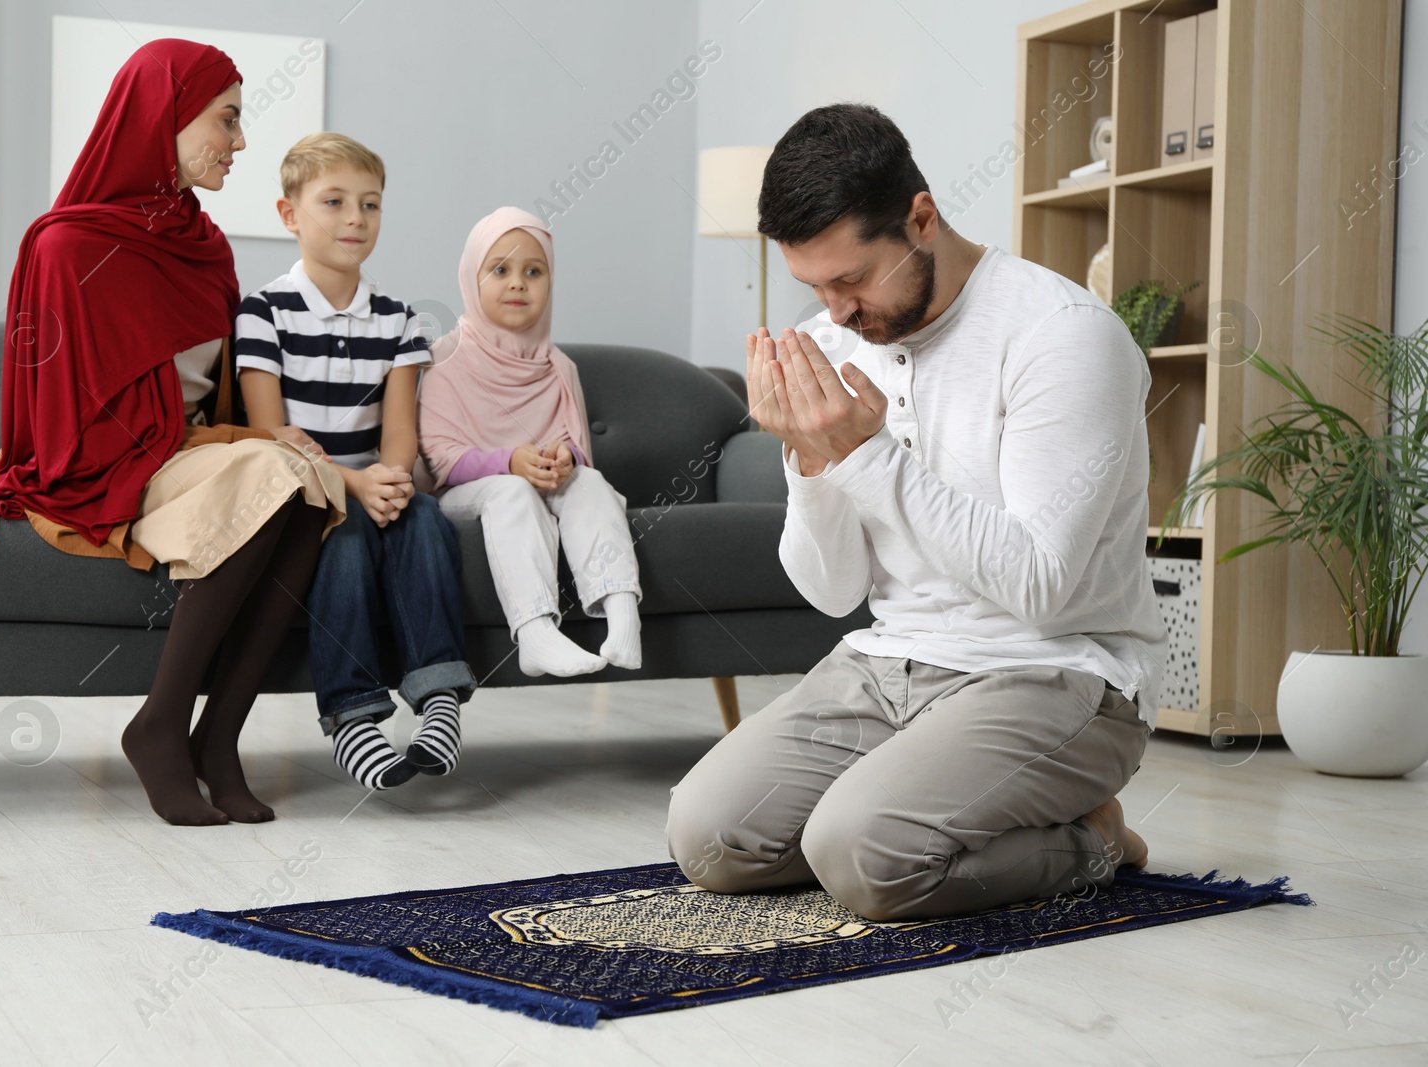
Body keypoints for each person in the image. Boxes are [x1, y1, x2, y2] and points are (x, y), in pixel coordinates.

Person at [666, 104, 1169, 921]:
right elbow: (832, 592)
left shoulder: (1063, 338)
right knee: (709, 837)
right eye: (814, 286)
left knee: (863, 856)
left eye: (852, 280)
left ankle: (1097, 839)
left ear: (921, 219)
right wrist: (812, 461)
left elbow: (1042, 587)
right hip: (889, 663)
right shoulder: (833, 342)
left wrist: (865, 455)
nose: (834, 312)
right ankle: (920, 808)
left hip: (1060, 669)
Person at [0, 40, 346, 827]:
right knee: (270, 472)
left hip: (186, 458)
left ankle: (218, 737)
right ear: (162, 118)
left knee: (316, 479)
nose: (240, 143)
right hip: (102, 467)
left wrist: (257, 438)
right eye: (227, 121)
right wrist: (236, 447)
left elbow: (205, 406)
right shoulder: (66, 245)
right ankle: (160, 724)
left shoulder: (207, 248)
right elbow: (71, 421)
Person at [236, 133, 475, 791]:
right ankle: (353, 717)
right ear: (289, 215)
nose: (355, 219)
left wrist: (391, 478)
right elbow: (269, 431)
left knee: (425, 517)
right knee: (337, 530)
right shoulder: (263, 313)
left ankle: (440, 702)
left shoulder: (398, 319)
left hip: (377, 486)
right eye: (334, 201)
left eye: (370, 204)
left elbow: (399, 431)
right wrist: (354, 483)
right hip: (307, 491)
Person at [417, 207, 642, 679]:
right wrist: (510, 462)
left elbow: (575, 445)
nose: (518, 283)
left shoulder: (559, 367)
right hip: (466, 494)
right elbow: (439, 461)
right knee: (512, 490)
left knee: (590, 482)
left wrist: (565, 458)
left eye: (533, 272)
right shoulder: (444, 359)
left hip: (537, 483)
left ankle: (622, 614)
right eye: (499, 270)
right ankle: (535, 632)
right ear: (471, 278)